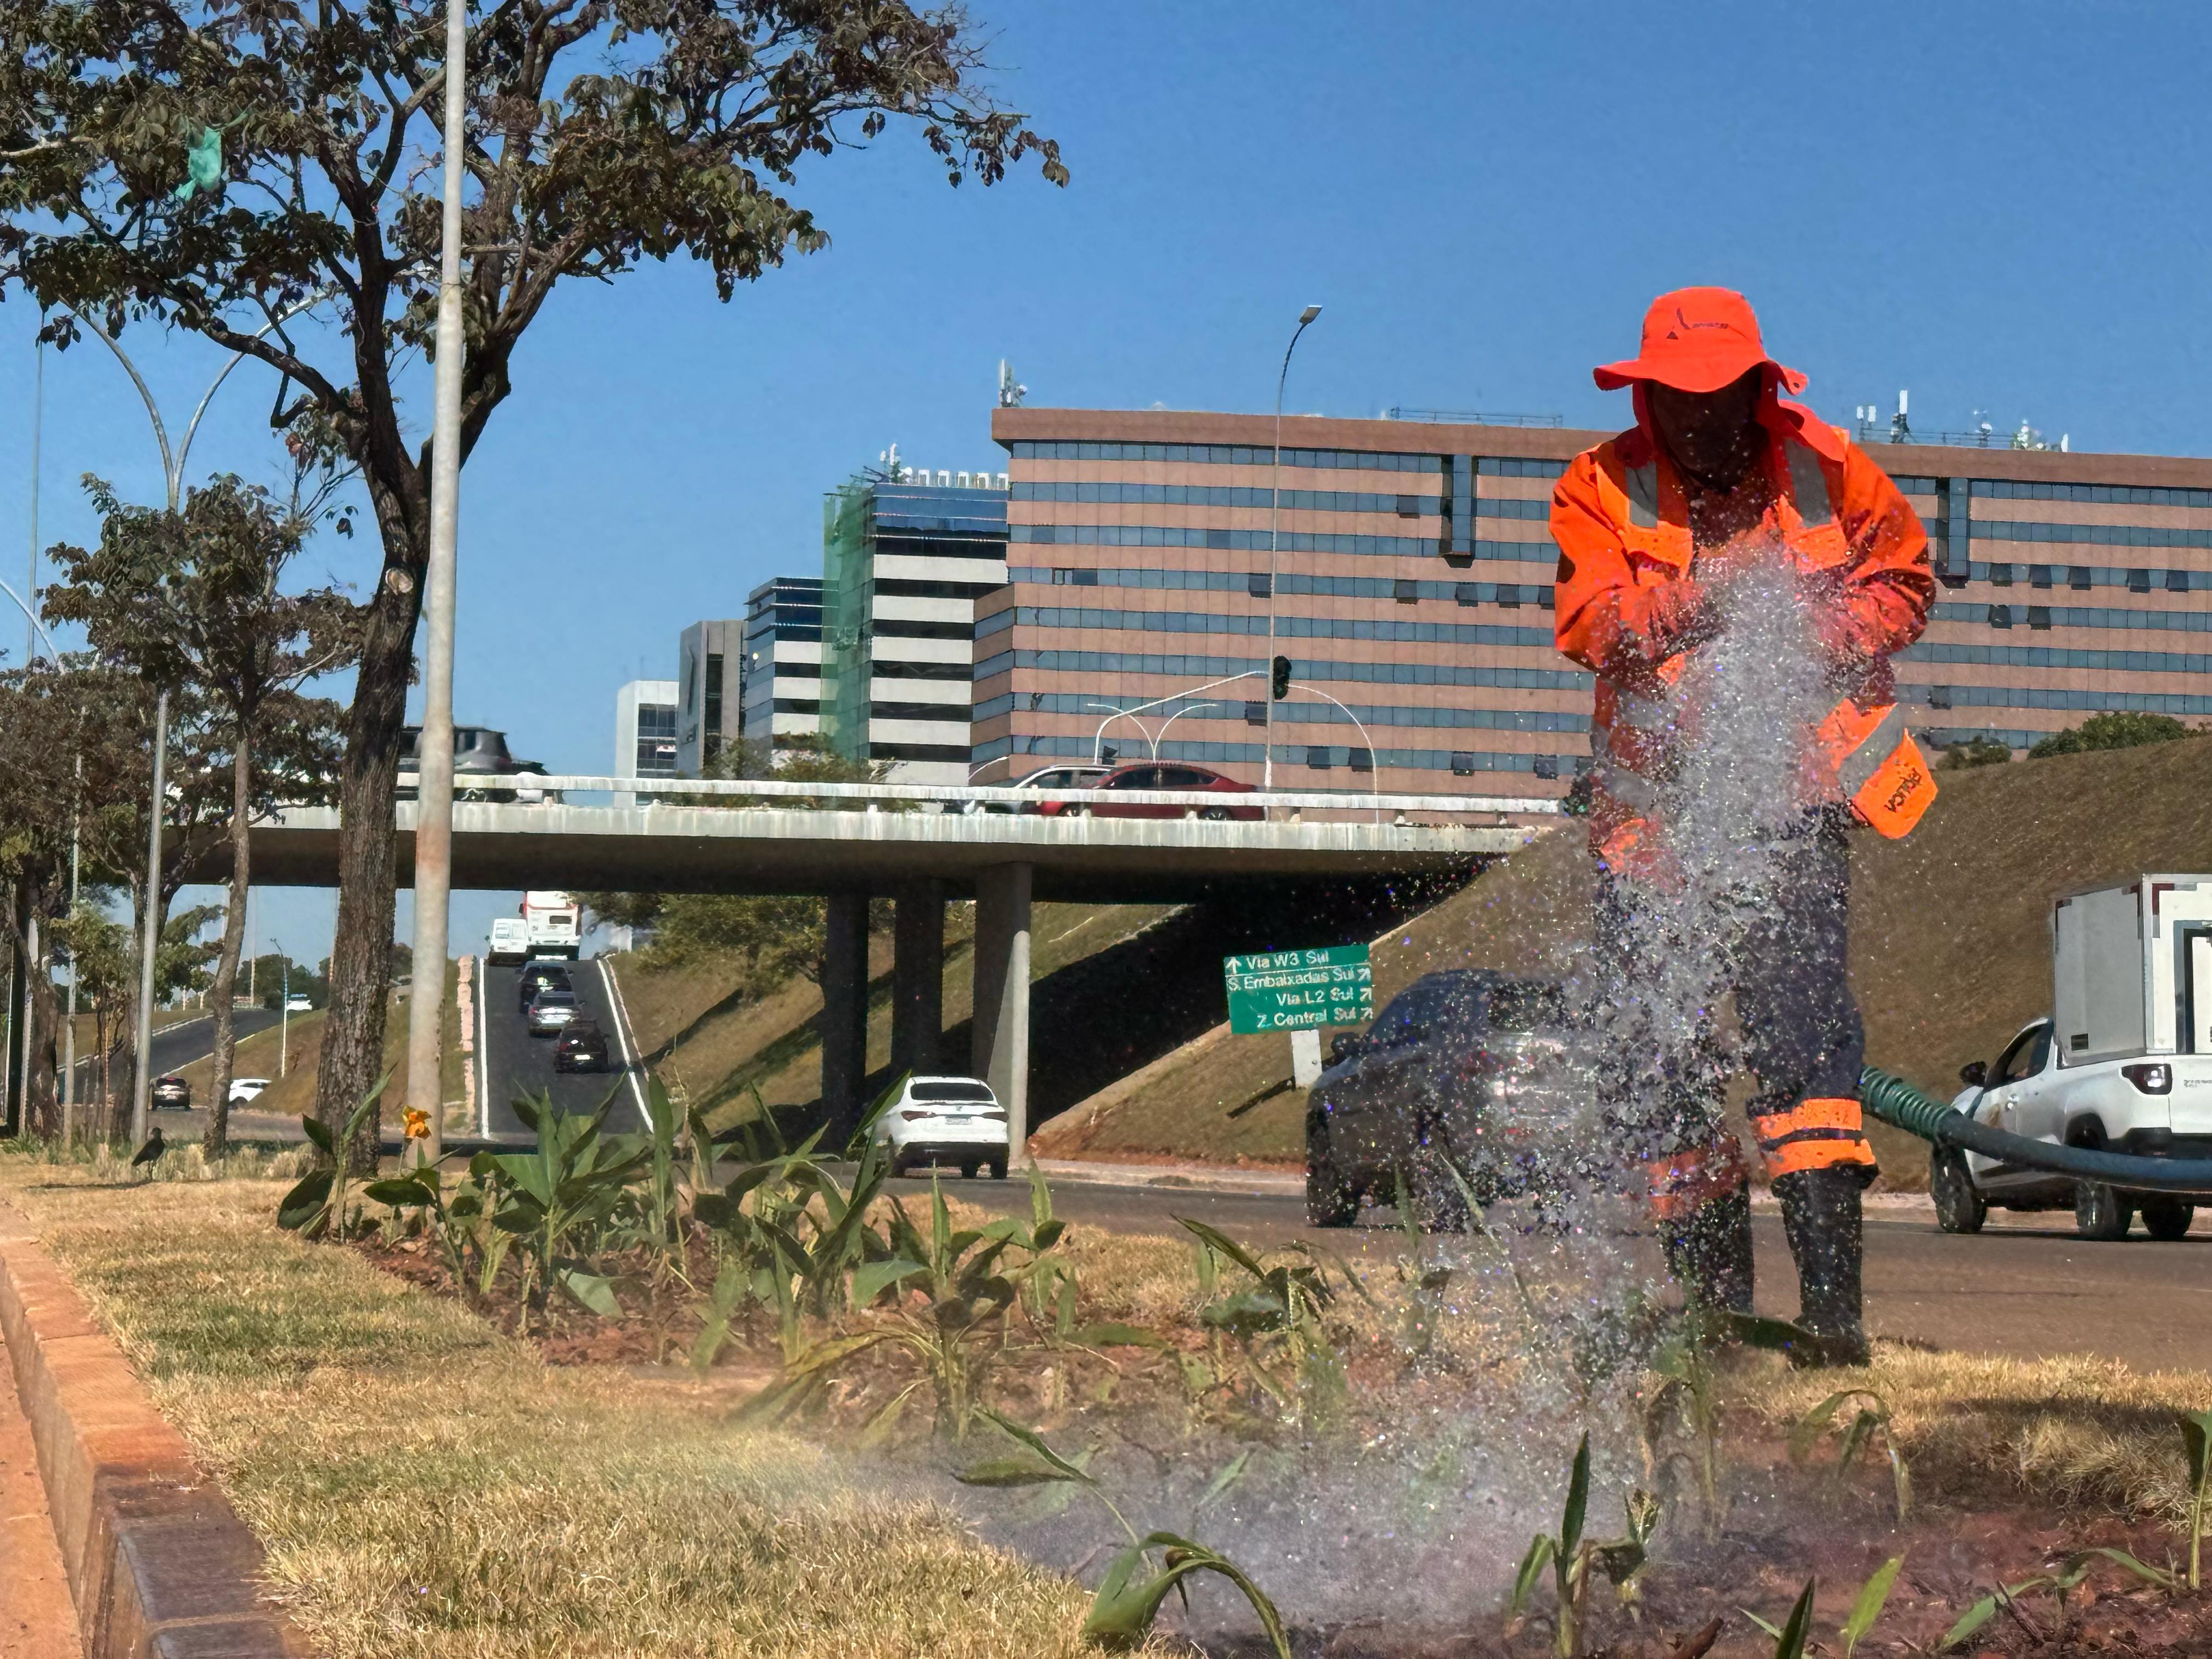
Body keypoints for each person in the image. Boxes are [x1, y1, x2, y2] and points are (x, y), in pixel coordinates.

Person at [1549, 287, 1937, 1365]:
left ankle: (1831, 1326)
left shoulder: (1831, 467)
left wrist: (1815, 638)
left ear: (1762, 392)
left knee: (1805, 1046)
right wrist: (1710, 602)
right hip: (1655, 826)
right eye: (1681, 402)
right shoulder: (1599, 485)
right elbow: (1590, 628)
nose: (1704, 423)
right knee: (1652, 1064)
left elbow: (1905, 583)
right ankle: (1717, 1318)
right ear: (1650, 402)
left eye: (1723, 400)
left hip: (1792, 806)